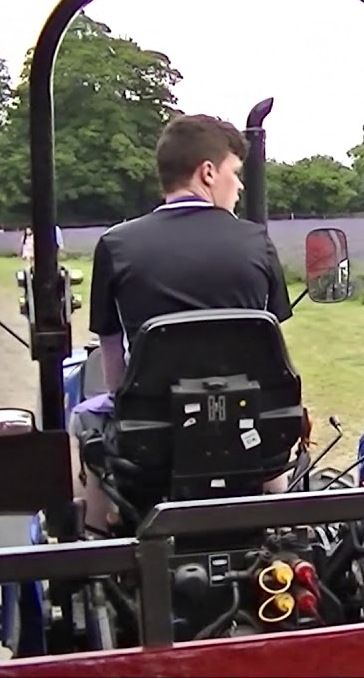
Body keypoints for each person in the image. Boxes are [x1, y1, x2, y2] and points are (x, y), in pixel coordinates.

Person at [70, 113, 294, 533]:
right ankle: (276, 521)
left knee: (83, 419)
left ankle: (98, 543)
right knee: (269, 413)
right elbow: (272, 345)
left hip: (152, 438)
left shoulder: (117, 245)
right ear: (207, 173)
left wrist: (130, 403)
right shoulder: (256, 241)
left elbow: (113, 356)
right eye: (236, 173)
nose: (241, 186)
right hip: (246, 433)